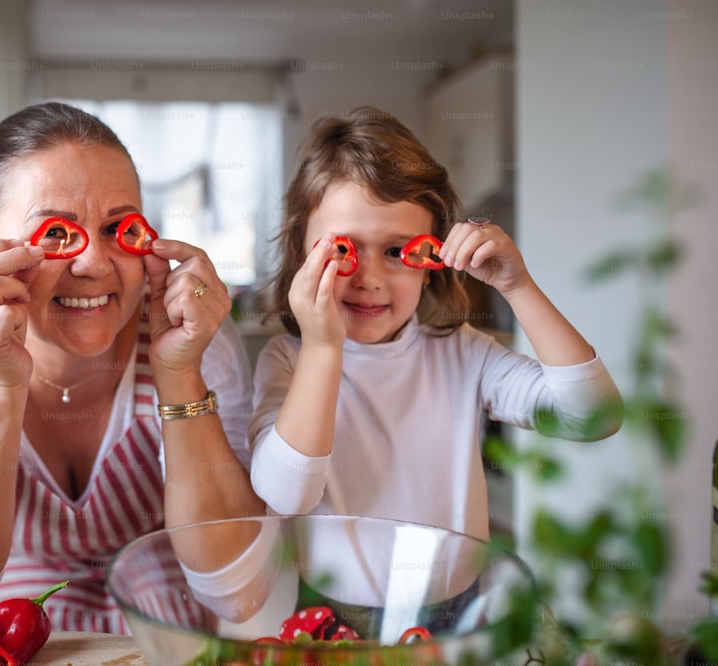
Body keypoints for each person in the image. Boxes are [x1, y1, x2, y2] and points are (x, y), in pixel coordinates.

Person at [0, 101, 265, 642]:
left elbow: (239, 592)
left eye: (118, 227)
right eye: (56, 234)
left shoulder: (189, 333)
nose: (94, 264)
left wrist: (179, 372)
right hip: (7, 622)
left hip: (164, 616)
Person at [249, 106, 623, 543]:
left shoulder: (464, 354)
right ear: (301, 251)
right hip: (334, 608)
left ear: (431, 264)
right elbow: (286, 497)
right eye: (343, 250)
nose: (369, 280)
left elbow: (594, 418)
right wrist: (323, 348)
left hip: (459, 606)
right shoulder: (288, 362)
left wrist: (518, 286)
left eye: (396, 252)